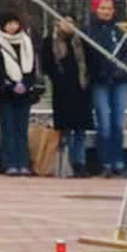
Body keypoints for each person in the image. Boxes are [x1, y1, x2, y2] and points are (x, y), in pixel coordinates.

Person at [82, 0, 127, 181]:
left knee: (118, 123)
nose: (106, 11)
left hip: (120, 81)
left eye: (109, 8)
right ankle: (104, 163)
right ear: (95, 10)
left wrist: (122, 71)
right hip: (100, 82)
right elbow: (86, 57)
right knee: (103, 122)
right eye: (103, 8)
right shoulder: (88, 31)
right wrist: (98, 72)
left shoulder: (120, 32)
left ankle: (118, 162)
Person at [0, 11, 40, 177]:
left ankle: (23, 162)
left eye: (15, 23)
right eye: (9, 23)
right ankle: (9, 163)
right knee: (8, 128)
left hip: (24, 93)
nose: (13, 27)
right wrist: (10, 85)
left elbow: (31, 67)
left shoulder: (26, 41)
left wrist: (26, 84)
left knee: (21, 129)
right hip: (4, 93)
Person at [46, 17, 93, 177]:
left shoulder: (82, 40)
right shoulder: (50, 41)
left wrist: (87, 79)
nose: (68, 25)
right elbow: (47, 64)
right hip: (62, 91)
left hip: (81, 89)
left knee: (80, 129)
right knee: (65, 129)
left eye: (71, 22)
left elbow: (90, 61)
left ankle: (80, 163)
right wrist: (58, 78)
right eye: (64, 22)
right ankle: (64, 165)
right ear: (57, 24)